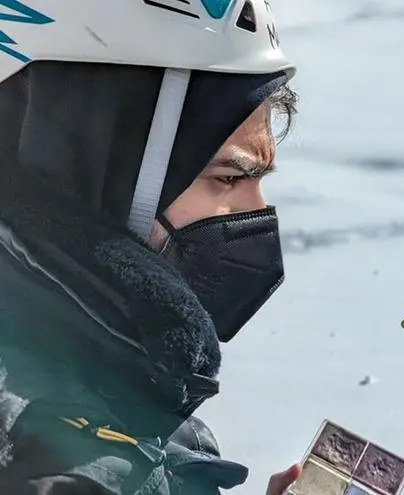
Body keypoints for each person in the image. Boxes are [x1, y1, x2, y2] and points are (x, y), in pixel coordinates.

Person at [0, 1, 303, 493]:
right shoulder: (44, 455)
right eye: (227, 178)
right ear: (92, 164)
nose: (256, 215)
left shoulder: (117, 395)